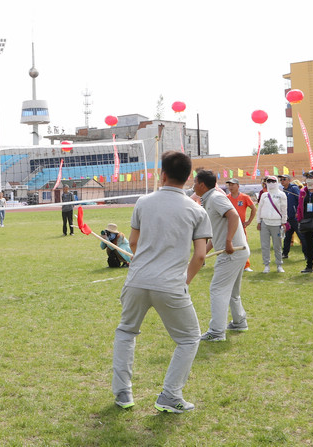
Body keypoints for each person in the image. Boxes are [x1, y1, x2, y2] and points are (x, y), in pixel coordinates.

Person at [112, 151, 211, 413]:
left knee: (126, 332)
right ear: (188, 178)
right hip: (170, 284)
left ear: (162, 174)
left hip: (137, 279)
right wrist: (185, 281)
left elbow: (133, 242)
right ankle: (170, 394)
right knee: (189, 338)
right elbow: (200, 255)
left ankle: (123, 392)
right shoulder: (197, 210)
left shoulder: (143, 202)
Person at [193, 169, 250, 342]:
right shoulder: (209, 199)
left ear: (202, 185)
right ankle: (239, 322)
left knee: (217, 289)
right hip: (237, 252)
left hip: (232, 252)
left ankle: (217, 332)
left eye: (195, 182)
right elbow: (216, 233)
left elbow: (233, 216)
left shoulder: (216, 198)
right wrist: (202, 253)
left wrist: (228, 242)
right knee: (232, 291)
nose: (193, 186)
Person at [255, 176, 287, 273]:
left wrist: (283, 222)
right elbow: (259, 209)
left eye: (273, 181)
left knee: (277, 246)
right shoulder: (264, 195)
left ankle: (279, 265)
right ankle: (266, 265)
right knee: (265, 245)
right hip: (265, 222)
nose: (271, 183)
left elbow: (284, 210)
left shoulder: (281, 194)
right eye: (269, 181)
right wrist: (258, 221)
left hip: (277, 223)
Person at [225, 178, 256, 272]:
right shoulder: (226, 198)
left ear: (238, 186)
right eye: (229, 185)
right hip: (229, 226)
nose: (230, 187)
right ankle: (231, 263)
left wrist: (249, 221)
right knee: (229, 244)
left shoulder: (245, 197)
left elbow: (253, 208)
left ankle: (246, 265)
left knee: (243, 244)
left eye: (232, 185)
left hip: (241, 226)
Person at [278, 174, 304, 259]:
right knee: (287, 237)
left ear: (289, 180)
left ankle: (307, 254)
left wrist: (298, 212)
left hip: (295, 218)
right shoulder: (283, 191)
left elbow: (300, 200)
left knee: (301, 236)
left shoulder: (294, 188)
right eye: (281, 179)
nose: (282, 181)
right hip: (288, 218)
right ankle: (285, 253)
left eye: (284, 179)